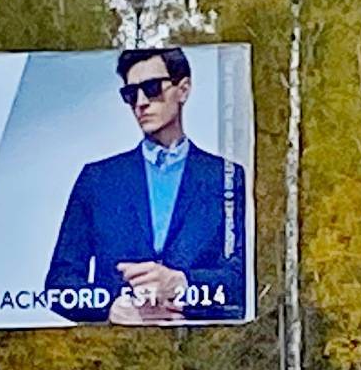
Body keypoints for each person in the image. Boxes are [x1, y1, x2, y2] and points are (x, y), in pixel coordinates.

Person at [41, 45, 248, 324]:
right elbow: (59, 284)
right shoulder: (97, 180)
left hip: (203, 343)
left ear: (183, 89)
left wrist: (183, 284)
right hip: (117, 344)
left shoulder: (224, 177)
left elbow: (242, 280)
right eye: (130, 94)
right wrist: (109, 309)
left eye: (152, 88)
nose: (140, 102)